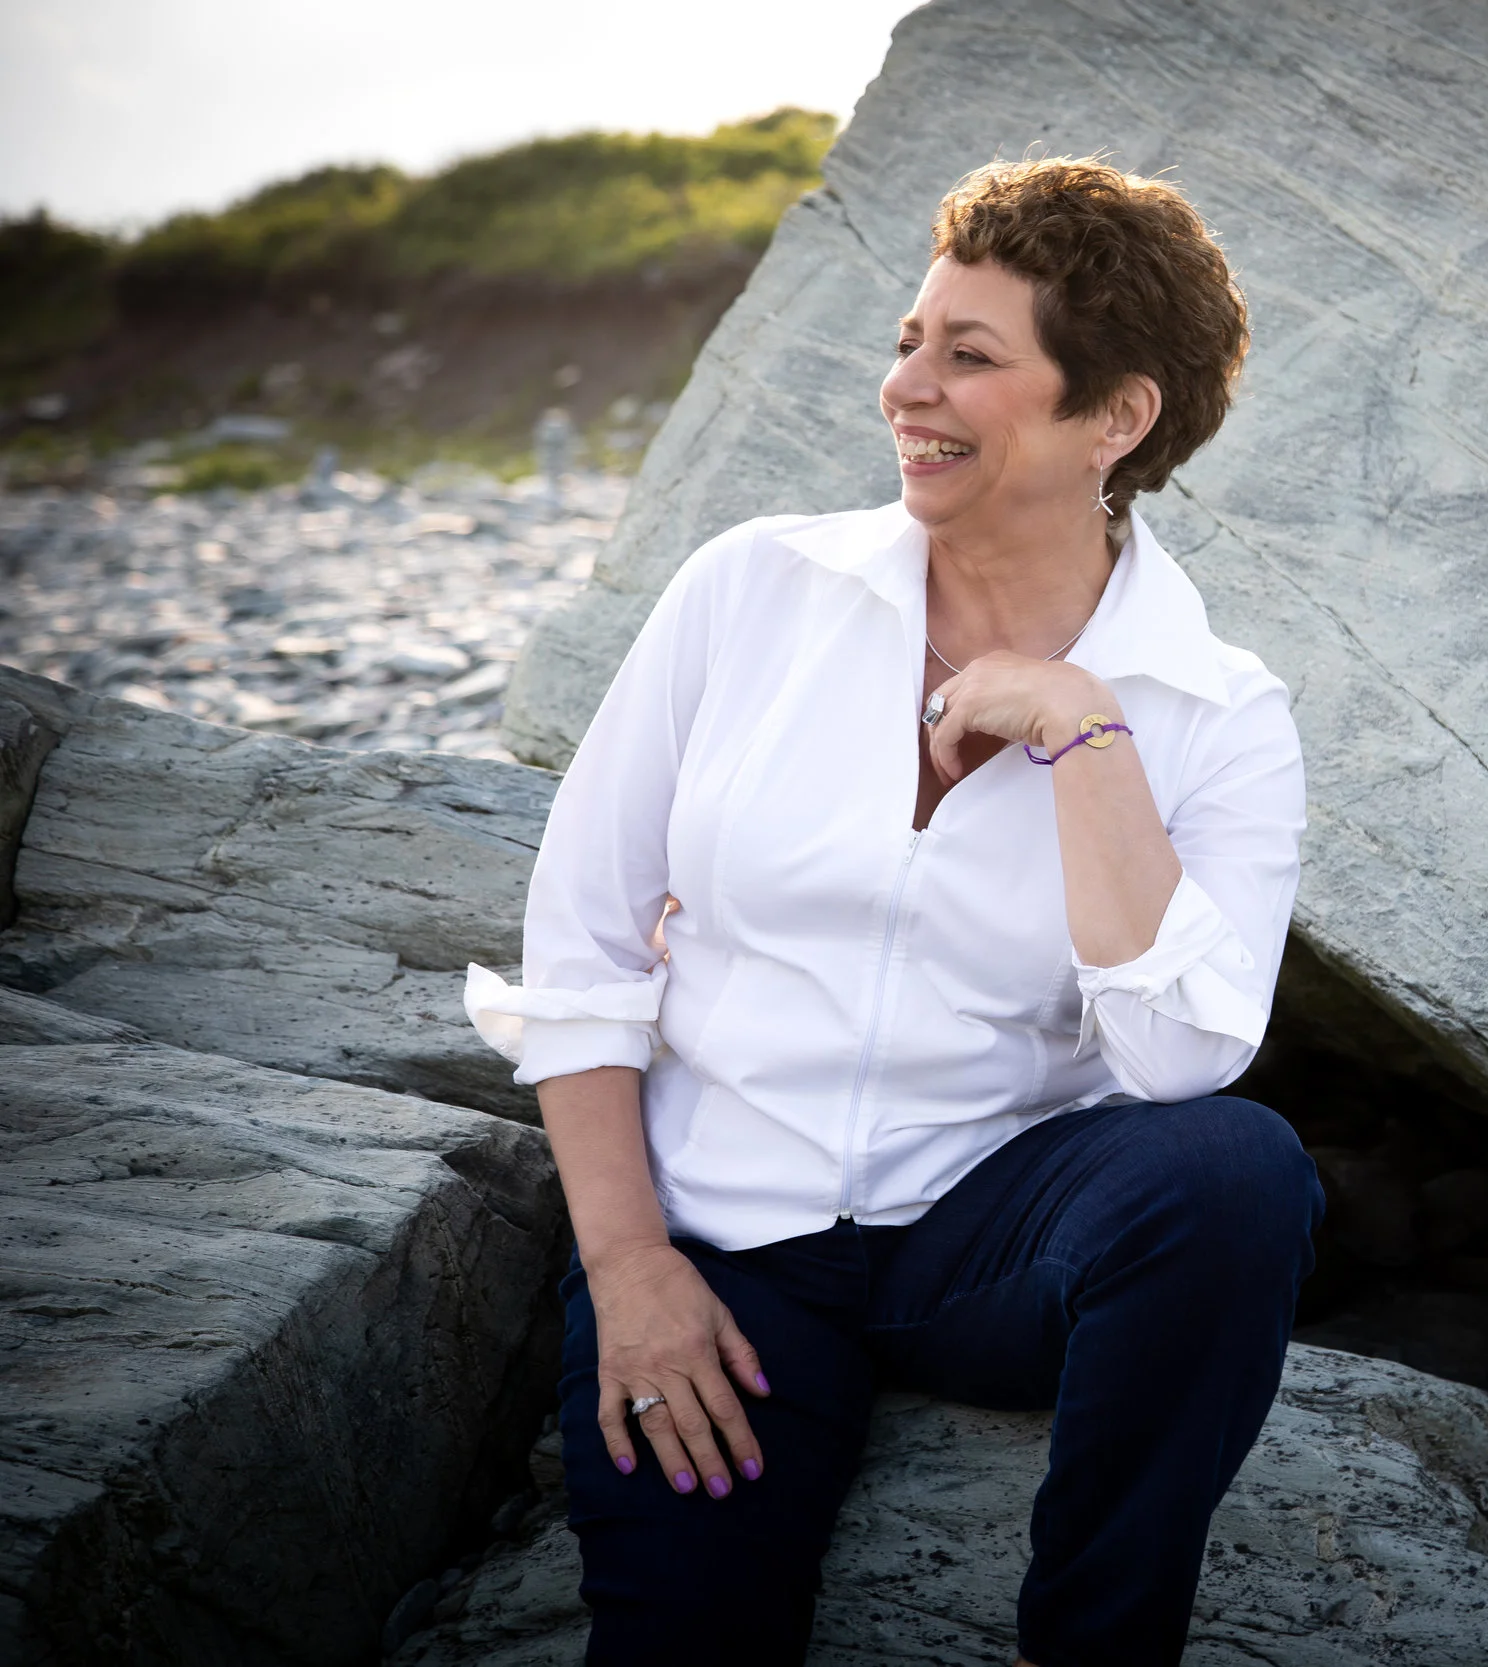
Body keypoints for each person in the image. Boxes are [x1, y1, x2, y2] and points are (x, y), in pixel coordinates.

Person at [465, 157, 1321, 1667]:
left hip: (986, 1241)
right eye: (911, 339)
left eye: (970, 356)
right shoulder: (751, 591)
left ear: (1116, 417)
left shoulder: (1218, 712)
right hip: (725, 1240)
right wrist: (632, 1269)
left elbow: (1183, 1061)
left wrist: (1085, 732)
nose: (906, 387)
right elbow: (584, 951)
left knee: (1238, 1173)